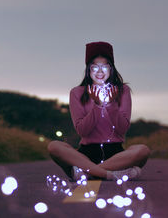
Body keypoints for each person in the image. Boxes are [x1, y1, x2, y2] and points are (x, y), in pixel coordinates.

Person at [48, 41, 150, 181]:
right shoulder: (77, 92)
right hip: (86, 155)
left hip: (116, 154)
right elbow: (82, 131)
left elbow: (122, 129)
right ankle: (110, 174)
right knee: (54, 146)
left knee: (142, 150)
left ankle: (87, 173)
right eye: (95, 67)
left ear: (111, 68)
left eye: (104, 66)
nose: (100, 72)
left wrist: (111, 104)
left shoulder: (122, 90)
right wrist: (97, 105)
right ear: (88, 70)